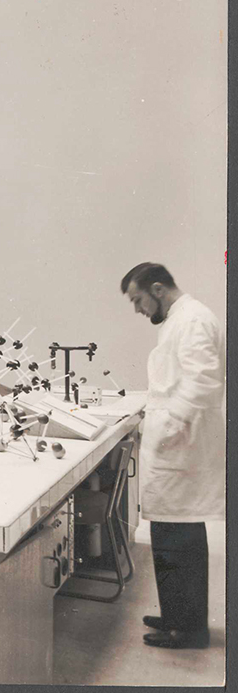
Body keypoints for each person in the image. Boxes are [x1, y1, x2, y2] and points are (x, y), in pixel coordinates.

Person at [121, 262, 224, 650]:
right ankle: (178, 615)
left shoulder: (193, 320)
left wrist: (168, 426)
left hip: (181, 448)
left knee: (179, 538)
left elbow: (203, 382)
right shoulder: (181, 320)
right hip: (174, 448)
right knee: (171, 535)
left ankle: (189, 629)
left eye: (138, 300)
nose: (137, 309)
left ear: (158, 289)